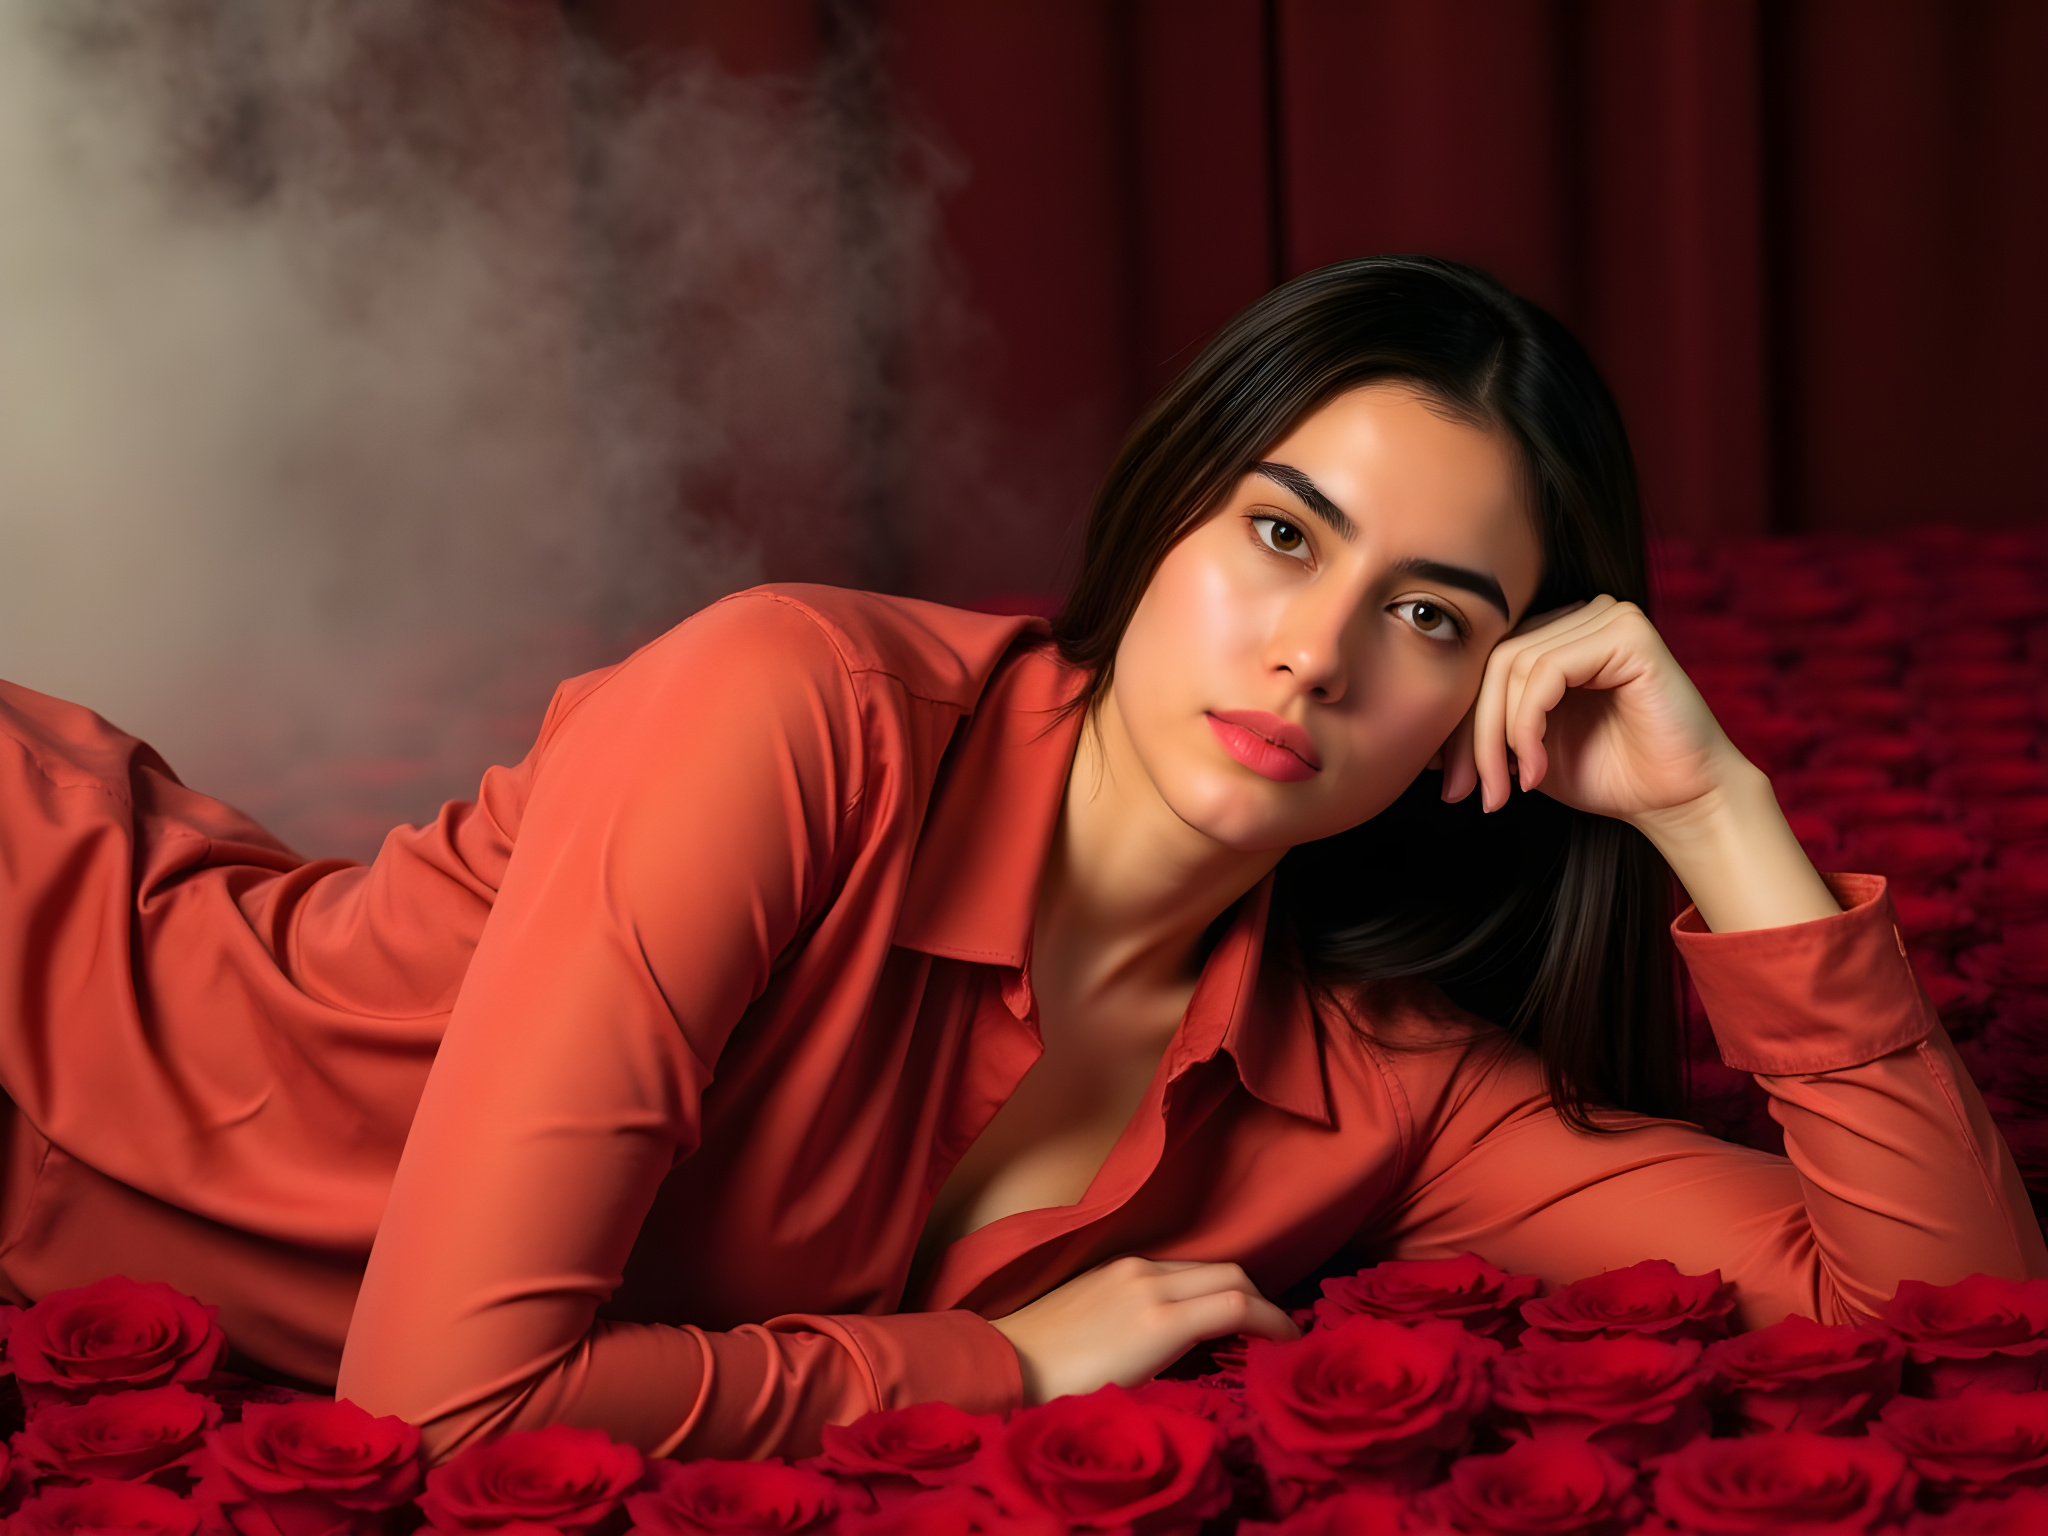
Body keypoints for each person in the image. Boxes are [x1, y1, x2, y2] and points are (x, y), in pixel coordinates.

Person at [0, 257, 2038, 1466]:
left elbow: (1948, 1320)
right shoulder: (787, 709)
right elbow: (441, 1414)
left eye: (1430, 616)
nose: (1315, 651)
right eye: (1278, 533)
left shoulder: (1383, 1091)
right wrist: (988, 1362)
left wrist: (1714, 811)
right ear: (1158, 524)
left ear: (1487, 702)